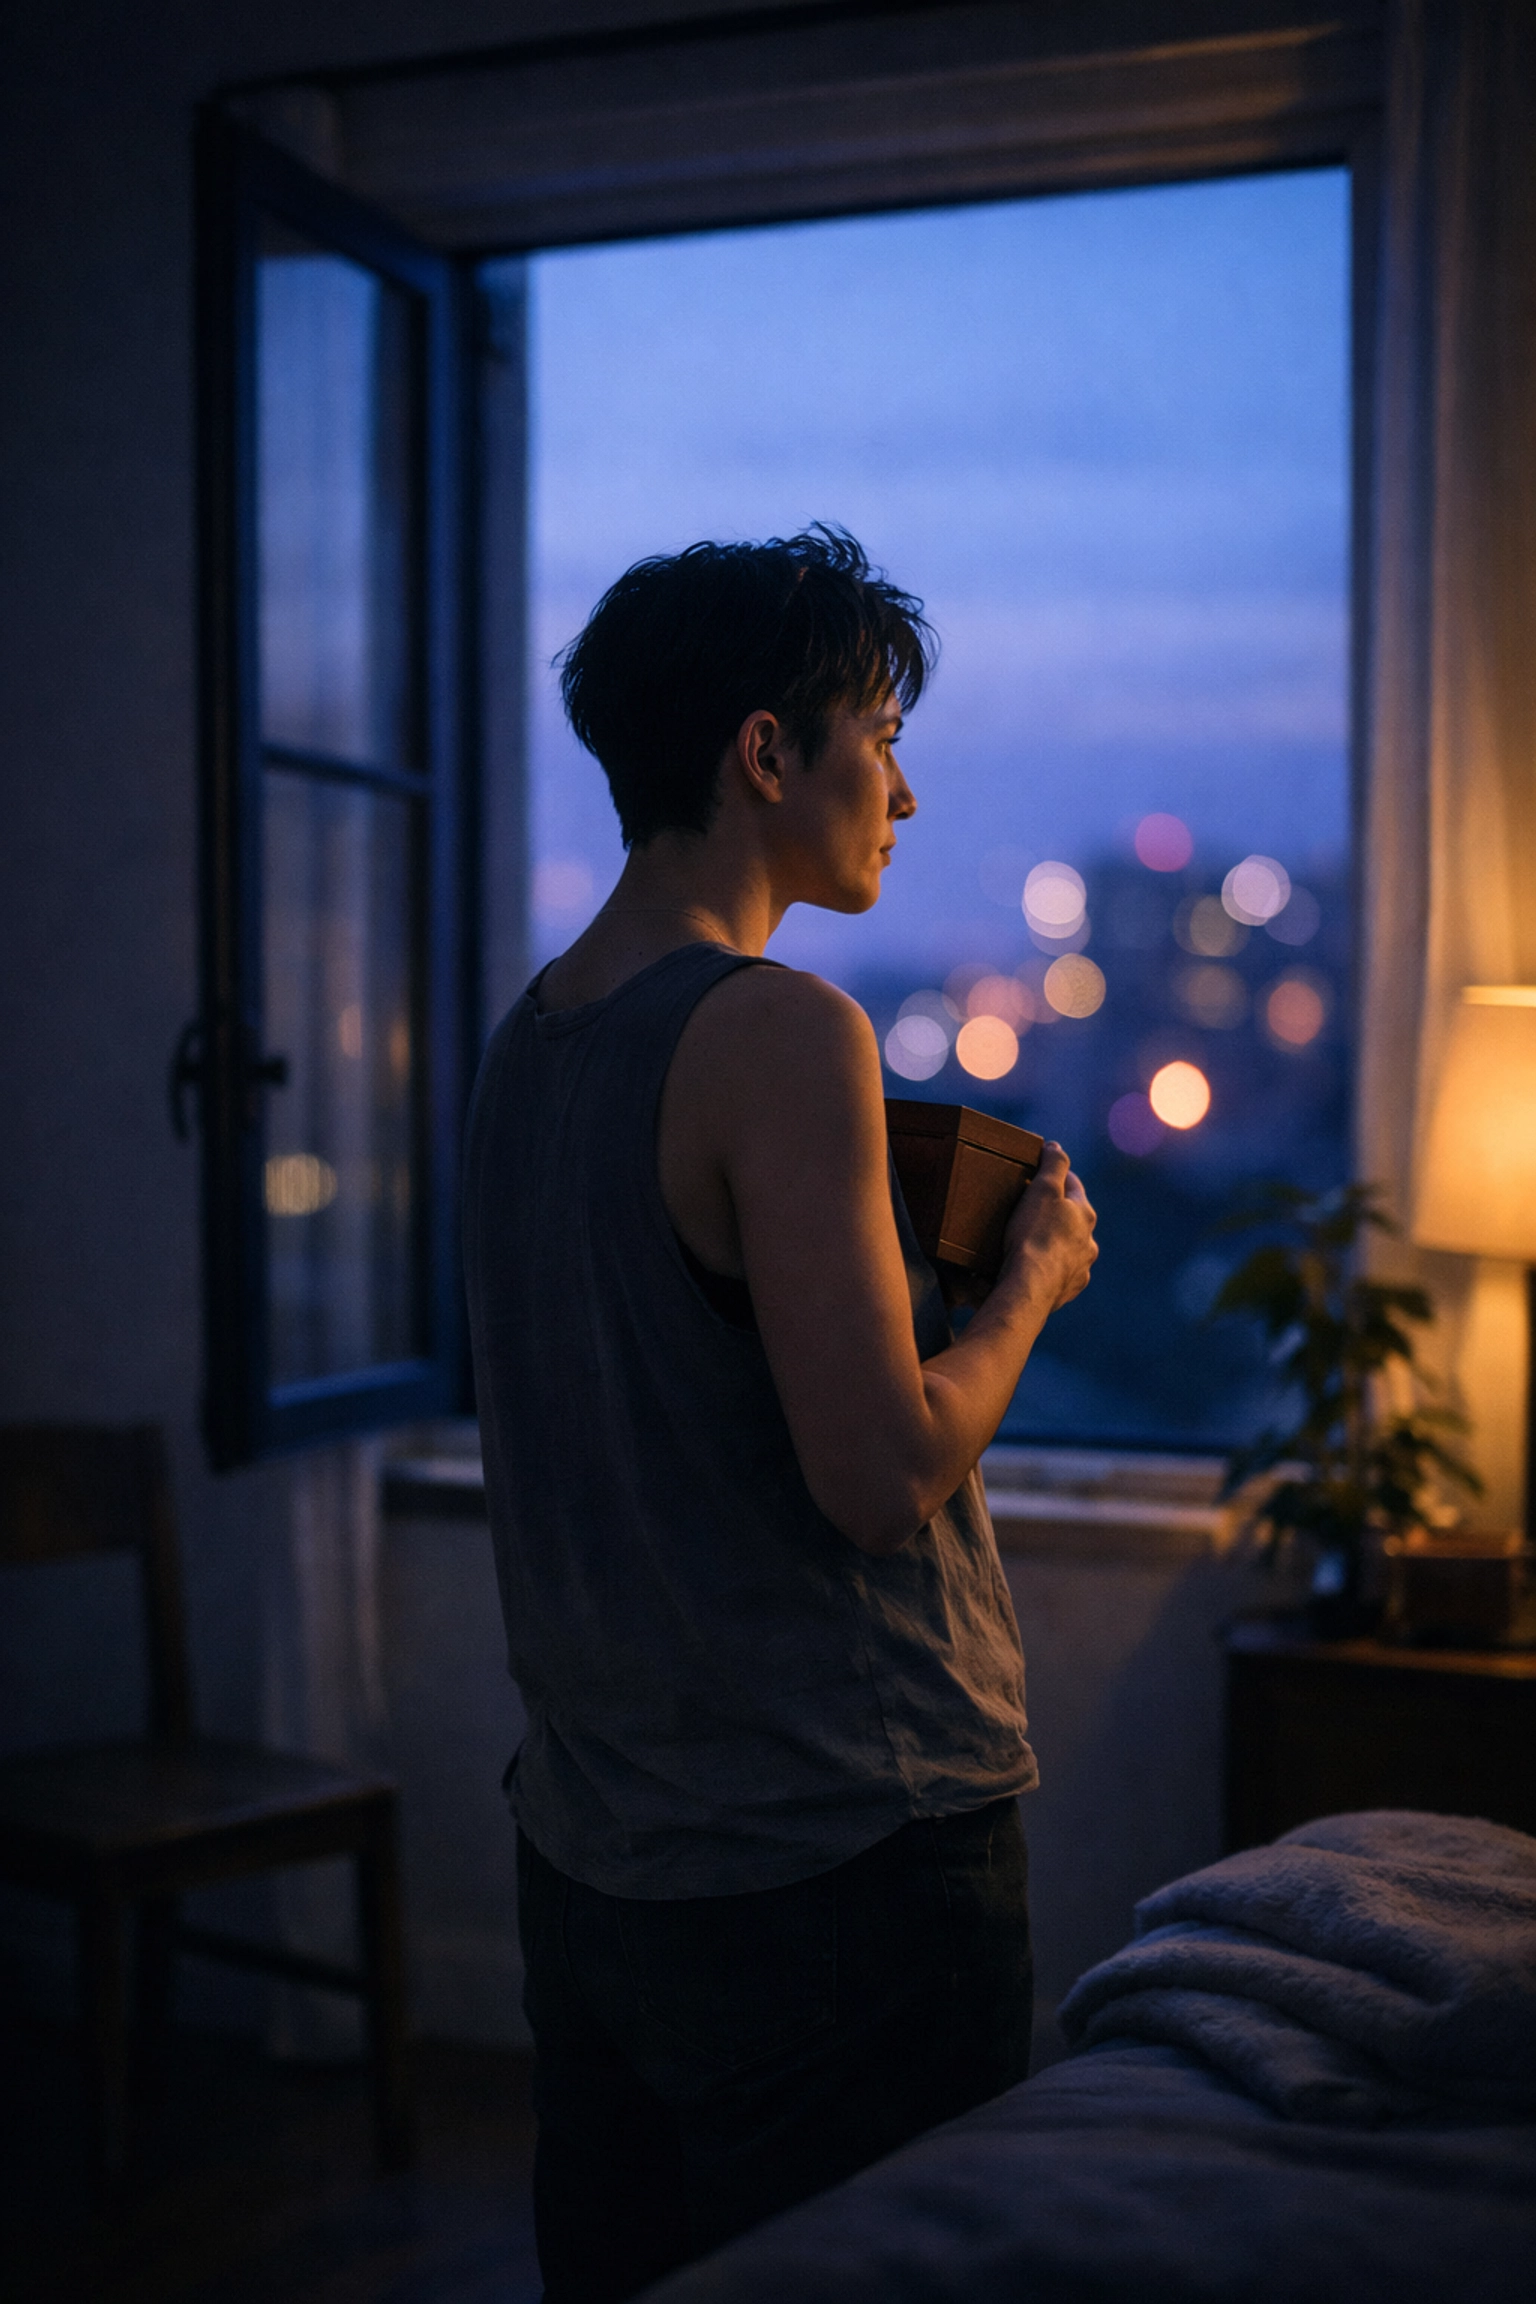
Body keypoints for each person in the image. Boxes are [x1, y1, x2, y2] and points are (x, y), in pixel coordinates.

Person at [463, 526, 1098, 2304]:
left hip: (598, 1856)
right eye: (877, 731)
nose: (899, 787)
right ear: (765, 751)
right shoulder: (780, 1032)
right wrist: (1034, 1278)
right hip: (835, 1855)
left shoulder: (530, 1042)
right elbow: (883, 1477)